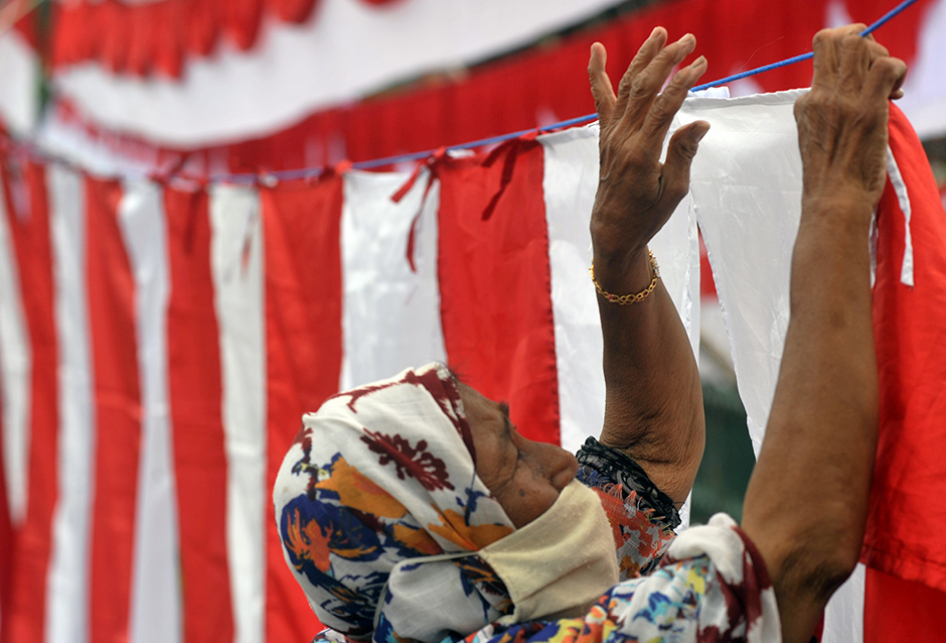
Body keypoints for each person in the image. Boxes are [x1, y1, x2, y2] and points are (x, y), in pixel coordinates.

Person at [273, 24, 906, 643]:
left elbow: (650, 455)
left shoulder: (429, 600)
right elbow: (792, 562)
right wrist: (836, 192)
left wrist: (619, 252)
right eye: (511, 460)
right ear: (447, 561)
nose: (563, 462)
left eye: (517, 436)